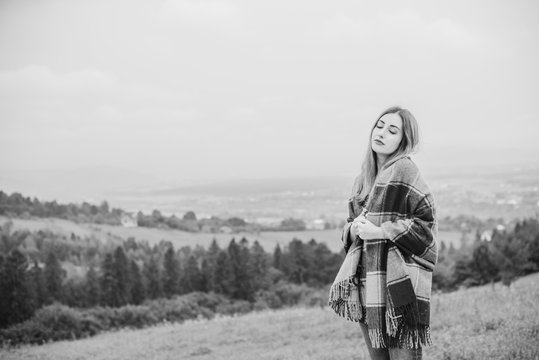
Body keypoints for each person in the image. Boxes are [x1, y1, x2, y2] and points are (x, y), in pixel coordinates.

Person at [328, 106, 438, 360]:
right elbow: (350, 226)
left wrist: (381, 231)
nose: (382, 133)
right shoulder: (363, 179)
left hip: (399, 284)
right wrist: (352, 229)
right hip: (368, 284)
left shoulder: (404, 170)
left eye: (392, 130)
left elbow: (426, 223)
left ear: (403, 140)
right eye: (379, 126)